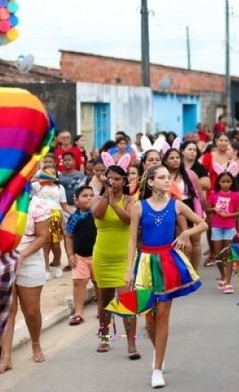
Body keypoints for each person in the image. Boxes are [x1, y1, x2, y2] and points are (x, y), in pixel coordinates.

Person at [125, 164, 207, 389]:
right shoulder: (138, 207)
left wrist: (186, 233)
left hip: (168, 261)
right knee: (148, 319)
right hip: (145, 262)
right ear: (150, 182)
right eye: (161, 177)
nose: (167, 181)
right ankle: (157, 351)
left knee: (162, 316)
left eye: (168, 177)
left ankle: (157, 368)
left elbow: (203, 223)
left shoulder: (176, 204)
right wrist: (128, 269)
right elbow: (132, 240)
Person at [91, 154, 139, 357]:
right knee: (104, 301)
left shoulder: (131, 201)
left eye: (117, 179)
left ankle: (131, 343)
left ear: (125, 181)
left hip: (124, 257)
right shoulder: (97, 198)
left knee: (127, 299)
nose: (113, 182)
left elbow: (129, 220)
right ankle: (104, 337)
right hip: (102, 256)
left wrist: (115, 203)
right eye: (109, 178)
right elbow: (97, 214)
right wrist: (106, 196)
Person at [0, 195, 52, 370]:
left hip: (30, 259)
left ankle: (35, 343)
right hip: (3, 260)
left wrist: (21, 255)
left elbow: (43, 236)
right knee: (8, 309)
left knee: (31, 310)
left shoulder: (38, 204)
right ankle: (6, 357)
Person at [208, 171, 239, 294]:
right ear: (218, 182)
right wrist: (214, 209)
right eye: (223, 181)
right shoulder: (213, 194)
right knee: (218, 254)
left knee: (229, 253)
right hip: (216, 227)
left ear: (232, 182)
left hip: (229, 227)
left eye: (228, 181)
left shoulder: (235, 195)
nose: (225, 184)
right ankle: (223, 276)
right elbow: (207, 208)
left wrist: (228, 215)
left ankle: (228, 282)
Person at [65, 185, 97, 326]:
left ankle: (102, 310)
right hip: (80, 257)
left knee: (99, 284)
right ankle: (78, 313)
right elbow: (69, 237)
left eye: (91, 195)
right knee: (79, 283)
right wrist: (70, 254)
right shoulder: (74, 218)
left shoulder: (98, 215)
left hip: (98, 256)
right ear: (76, 201)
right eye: (85, 196)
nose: (89, 198)